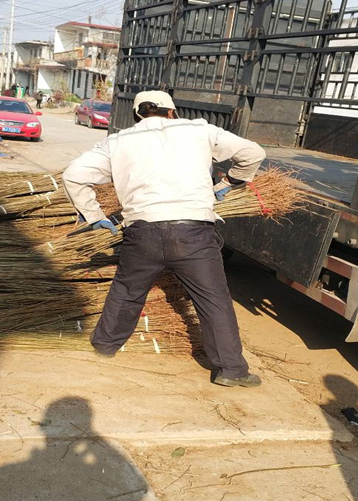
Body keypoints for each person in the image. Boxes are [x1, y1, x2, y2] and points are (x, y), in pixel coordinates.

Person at [62, 90, 266, 388]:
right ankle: (231, 371)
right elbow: (253, 153)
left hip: (142, 232)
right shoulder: (200, 130)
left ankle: (105, 347)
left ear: (137, 115)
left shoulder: (118, 141)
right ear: (172, 112)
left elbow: (74, 175)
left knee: (128, 290)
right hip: (193, 233)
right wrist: (228, 182)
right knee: (213, 300)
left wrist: (94, 215)